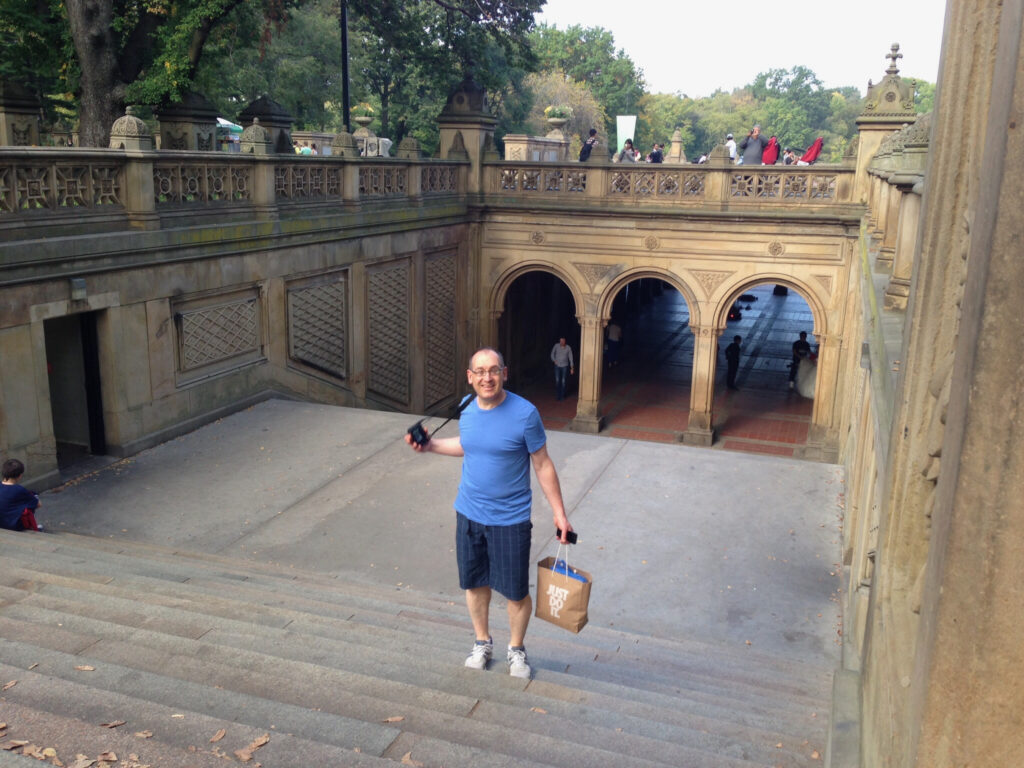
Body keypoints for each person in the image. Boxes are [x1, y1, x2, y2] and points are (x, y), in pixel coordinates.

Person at [404, 348, 572, 679]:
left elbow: (542, 463)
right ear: (470, 377)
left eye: (493, 370)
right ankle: (482, 642)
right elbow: (469, 445)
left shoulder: (525, 414)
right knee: (475, 583)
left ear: (504, 374)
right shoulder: (467, 408)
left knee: (515, 591)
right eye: (480, 372)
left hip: (510, 520)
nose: (487, 377)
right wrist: (431, 446)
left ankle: (516, 650)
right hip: (468, 513)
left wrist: (559, 514)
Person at [1, 459, 42, 532]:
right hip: (14, 526)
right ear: (20, 476)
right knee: (30, 504)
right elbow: (38, 504)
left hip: (1, 524)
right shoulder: (19, 490)